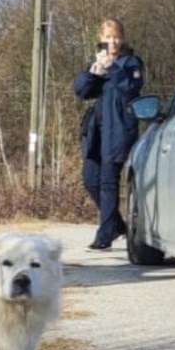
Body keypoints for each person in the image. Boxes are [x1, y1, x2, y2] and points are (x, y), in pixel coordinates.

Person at [73, 18, 145, 251]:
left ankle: (104, 235)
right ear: (100, 39)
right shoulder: (98, 61)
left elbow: (130, 89)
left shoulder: (131, 62)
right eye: (108, 38)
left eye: (116, 37)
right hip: (97, 132)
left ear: (122, 39)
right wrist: (93, 72)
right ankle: (115, 224)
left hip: (119, 131)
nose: (112, 42)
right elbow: (81, 91)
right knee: (89, 178)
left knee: (107, 182)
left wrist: (112, 68)